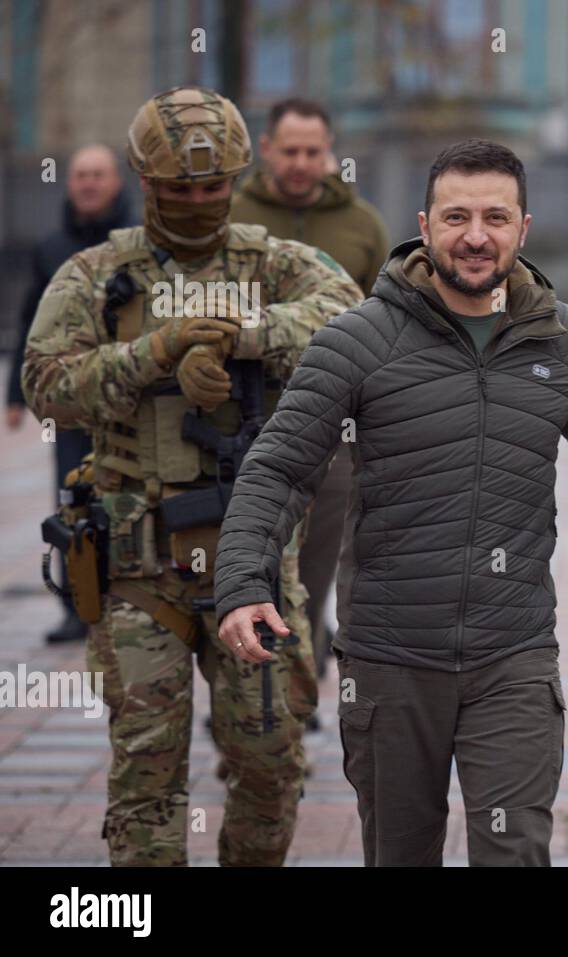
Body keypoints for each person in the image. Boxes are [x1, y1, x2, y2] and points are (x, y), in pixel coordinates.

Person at [214, 138, 568, 867]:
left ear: (523, 228)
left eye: (495, 217)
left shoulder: (560, 339)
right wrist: (242, 582)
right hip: (391, 661)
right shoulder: (357, 340)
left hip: (514, 658)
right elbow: (281, 466)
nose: (476, 236)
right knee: (401, 853)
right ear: (424, 223)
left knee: (515, 852)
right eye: (456, 217)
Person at [21, 86, 363, 866]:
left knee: (272, 762)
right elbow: (44, 378)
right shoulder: (98, 274)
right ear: (146, 183)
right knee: (147, 771)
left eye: (214, 187)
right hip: (139, 568)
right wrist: (158, 351)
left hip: (255, 566)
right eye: (181, 189)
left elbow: (350, 322)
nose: (200, 202)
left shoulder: (272, 263)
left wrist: (246, 335)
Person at [229, 96, 390, 715]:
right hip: (241, 426)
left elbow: (387, 325)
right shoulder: (233, 217)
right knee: (248, 557)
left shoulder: (364, 225)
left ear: (331, 154)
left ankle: (295, 693)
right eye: (289, 151)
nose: (301, 163)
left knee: (315, 568)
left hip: (337, 431)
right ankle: (243, 694)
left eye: (313, 152)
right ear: (266, 150)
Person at [7, 144, 132, 644]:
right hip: (71, 404)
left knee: (129, 501)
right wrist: (15, 392)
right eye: (81, 175)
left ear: (117, 182)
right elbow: (30, 324)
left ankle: (130, 603)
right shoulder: (51, 247)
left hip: (128, 401)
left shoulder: (136, 244)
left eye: (98, 175)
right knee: (70, 501)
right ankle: (75, 607)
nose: (89, 184)